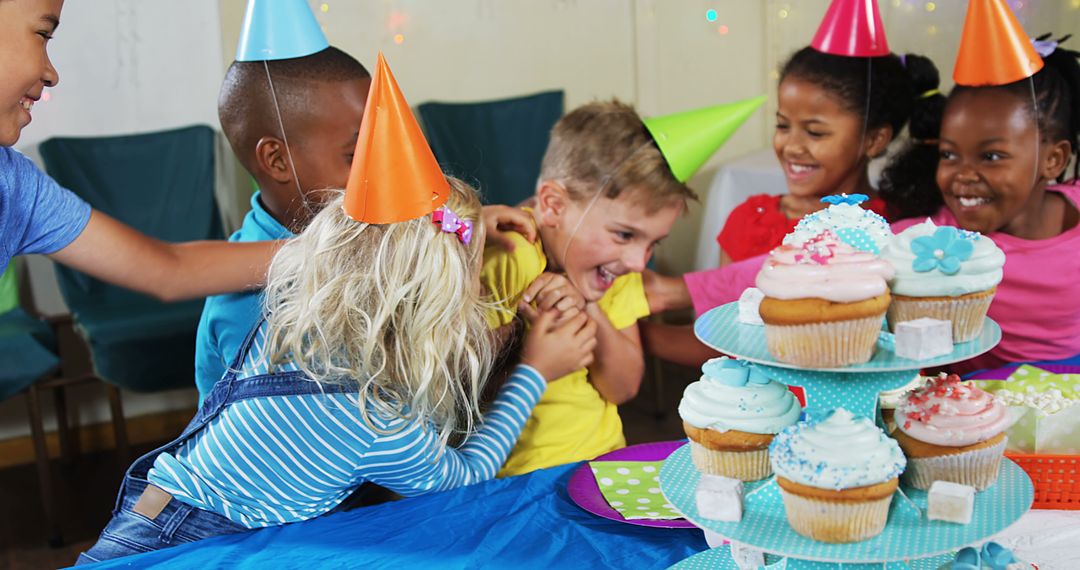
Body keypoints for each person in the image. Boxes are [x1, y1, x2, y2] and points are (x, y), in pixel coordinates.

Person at [76, 177, 596, 564]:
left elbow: (381, 252)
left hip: (149, 514)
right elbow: (465, 476)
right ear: (438, 301)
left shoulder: (293, 319)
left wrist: (460, 228)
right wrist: (533, 371)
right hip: (206, 549)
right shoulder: (378, 423)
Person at [195, 46, 538, 403]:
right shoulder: (254, 313)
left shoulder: (373, 228)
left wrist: (466, 225)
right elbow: (378, 406)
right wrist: (520, 338)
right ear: (277, 160)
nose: (380, 170)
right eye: (355, 155)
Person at [640, 49, 942, 367]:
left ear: (874, 139)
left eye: (815, 132)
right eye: (783, 126)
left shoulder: (894, 231)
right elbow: (728, 343)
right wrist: (626, 333)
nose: (792, 146)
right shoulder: (749, 220)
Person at [1, 0, 279, 301]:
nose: (51, 74)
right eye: (42, 34)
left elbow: (172, 270)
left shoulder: (18, 189)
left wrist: (321, 252)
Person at [481, 100, 692, 476]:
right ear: (553, 206)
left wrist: (588, 309)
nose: (637, 262)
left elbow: (622, 388)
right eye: (624, 234)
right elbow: (454, 400)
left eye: (652, 243)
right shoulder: (507, 255)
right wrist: (529, 345)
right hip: (509, 483)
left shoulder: (611, 272)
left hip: (602, 463)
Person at [881, 36, 1080, 372]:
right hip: (972, 412)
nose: (964, 174)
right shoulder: (929, 244)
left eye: (990, 156)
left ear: (1053, 159)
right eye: (949, 154)